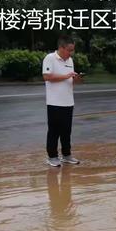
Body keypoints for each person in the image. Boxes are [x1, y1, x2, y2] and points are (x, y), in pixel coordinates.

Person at [42, 35, 82, 167]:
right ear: (61, 47)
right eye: (69, 50)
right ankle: (52, 156)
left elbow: (70, 81)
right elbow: (47, 76)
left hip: (68, 101)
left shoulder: (70, 61)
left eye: (72, 50)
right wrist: (66, 76)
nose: (71, 53)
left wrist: (76, 78)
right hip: (54, 102)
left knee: (66, 131)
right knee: (54, 131)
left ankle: (66, 155)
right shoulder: (50, 58)